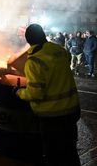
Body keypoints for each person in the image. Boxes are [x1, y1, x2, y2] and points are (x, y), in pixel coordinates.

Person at [15, 24, 81, 166]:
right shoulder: (60, 50)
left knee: (53, 155)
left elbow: (35, 93)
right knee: (70, 151)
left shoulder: (33, 61)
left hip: (52, 116)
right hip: (72, 111)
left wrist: (19, 92)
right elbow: (63, 65)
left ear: (28, 41)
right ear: (44, 35)